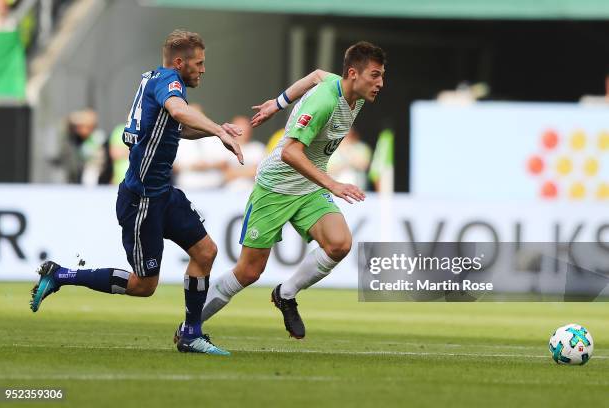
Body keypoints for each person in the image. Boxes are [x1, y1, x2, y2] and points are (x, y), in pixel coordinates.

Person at [30, 29, 243, 355]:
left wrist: (216, 134)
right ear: (179, 62)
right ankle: (62, 274)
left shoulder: (154, 79)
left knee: (205, 252)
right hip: (142, 199)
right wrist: (217, 129)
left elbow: (178, 127)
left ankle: (191, 333)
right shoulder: (170, 83)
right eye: (198, 63)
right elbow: (179, 111)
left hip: (162, 193)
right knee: (144, 286)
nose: (202, 69)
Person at [199, 41, 386, 339]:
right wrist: (333, 184)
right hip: (276, 186)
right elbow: (289, 153)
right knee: (248, 272)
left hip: (308, 186)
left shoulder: (352, 92)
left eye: (381, 76)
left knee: (339, 243)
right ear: (353, 73)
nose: (380, 83)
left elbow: (315, 74)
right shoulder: (325, 101)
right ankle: (190, 326)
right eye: (375, 75)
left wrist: (278, 102)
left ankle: (286, 294)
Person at [222, 115, 266, 192]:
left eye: (245, 128)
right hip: (228, 192)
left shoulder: (258, 148)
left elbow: (259, 172)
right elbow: (224, 174)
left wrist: (234, 172)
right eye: (239, 128)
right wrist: (249, 171)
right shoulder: (224, 148)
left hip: (252, 192)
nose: (243, 131)